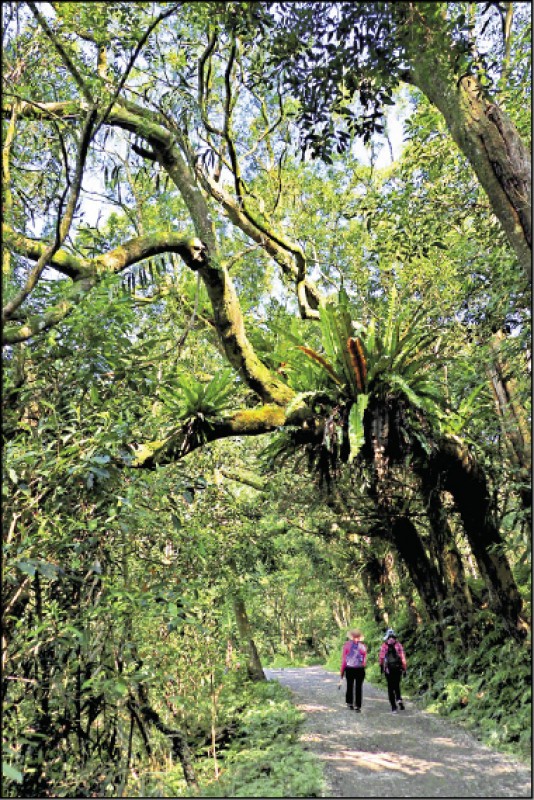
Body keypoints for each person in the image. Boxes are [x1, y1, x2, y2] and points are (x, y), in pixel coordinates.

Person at [379, 628, 407, 713]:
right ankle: (398, 698)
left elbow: (381, 658)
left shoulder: (384, 645)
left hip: (388, 670)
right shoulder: (398, 645)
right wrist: (404, 668)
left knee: (390, 687)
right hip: (398, 668)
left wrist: (381, 667)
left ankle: (393, 707)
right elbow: (402, 658)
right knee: (397, 684)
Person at [340, 629, 367, 711]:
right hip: (360, 669)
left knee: (349, 686)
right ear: (359, 637)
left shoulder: (346, 645)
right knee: (359, 687)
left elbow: (344, 660)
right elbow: (365, 660)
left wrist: (342, 671)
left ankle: (350, 703)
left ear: (351, 637)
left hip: (349, 669)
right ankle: (358, 706)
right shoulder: (363, 646)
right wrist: (362, 665)